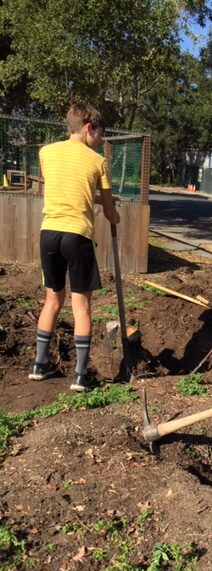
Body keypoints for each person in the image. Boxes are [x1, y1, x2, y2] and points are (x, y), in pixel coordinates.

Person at [28, 103, 120, 391]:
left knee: (52, 300)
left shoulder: (46, 152)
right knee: (81, 306)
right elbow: (108, 210)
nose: (100, 142)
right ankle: (81, 375)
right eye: (100, 136)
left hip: (49, 234)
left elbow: (63, 184)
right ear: (88, 128)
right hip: (77, 235)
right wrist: (115, 216)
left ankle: (39, 365)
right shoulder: (97, 161)